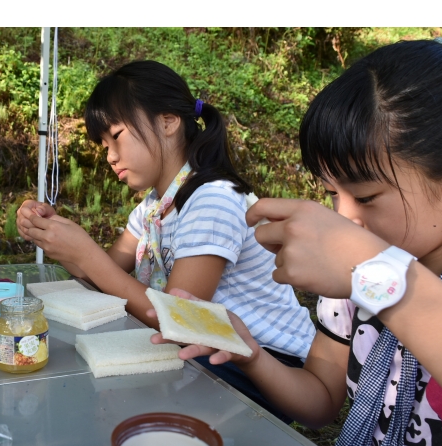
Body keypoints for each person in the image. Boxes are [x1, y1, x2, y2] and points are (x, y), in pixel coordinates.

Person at [151, 38, 442, 446]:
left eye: (365, 197)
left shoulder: (365, 273)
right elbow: (320, 404)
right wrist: (252, 355)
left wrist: (375, 273)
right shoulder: (349, 291)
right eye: (332, 193)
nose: (344, 218)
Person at [17, 60, 315, 420]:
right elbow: (107, 278)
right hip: (207, 351)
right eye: (102, 143)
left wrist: (86, 253)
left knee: (116, 408)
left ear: (168, 121)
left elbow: (182, 320)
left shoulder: (212, 199)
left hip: (262, 363)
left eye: (117, 135)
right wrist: (60, 244)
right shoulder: (153, 208)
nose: (110, 155)